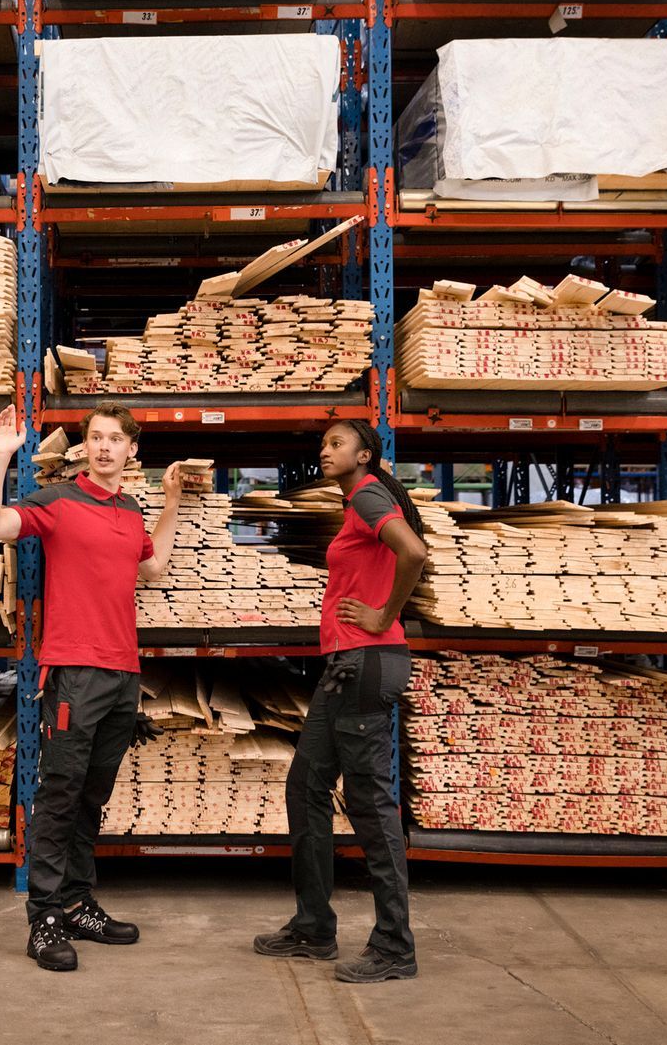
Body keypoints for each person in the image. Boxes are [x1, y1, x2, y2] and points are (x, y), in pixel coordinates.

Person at [0, 402, 187, 973]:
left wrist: (169, 506)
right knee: (61, 794)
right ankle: (43, 918)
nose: (105, 447)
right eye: (96, 437)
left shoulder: (131, 509)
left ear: (131, 450)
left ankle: (75, 901)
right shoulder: (59, 501)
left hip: (122, 672)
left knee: (93, 794)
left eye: (116, 439)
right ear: (84, 446)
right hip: (73, 671)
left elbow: (155, 566)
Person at [254, 419, 429, 983]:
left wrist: (383, 615)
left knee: (371, 807)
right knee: (305, 785)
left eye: (337, 443)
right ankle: (313, 927)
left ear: (365, 454)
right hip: (346, 667)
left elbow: (414, 553)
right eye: (323, 443)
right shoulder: (359, 502)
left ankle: (394, 947)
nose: (325, 451)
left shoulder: (371, 494)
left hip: (366, 662)